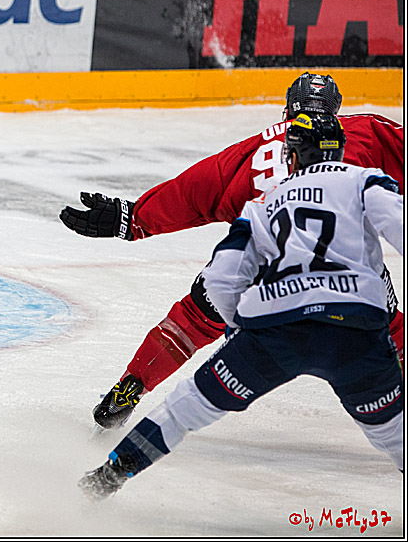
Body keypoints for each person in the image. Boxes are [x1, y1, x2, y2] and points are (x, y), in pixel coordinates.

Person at [79, 111, 404, 499]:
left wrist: (242, 330)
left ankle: (106, 477)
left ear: (291, 153)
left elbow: (219, 269)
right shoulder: (367, 171)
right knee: (395, 417)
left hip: (275, 325)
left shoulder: (263, 202)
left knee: (187, 395)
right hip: (354, 324)